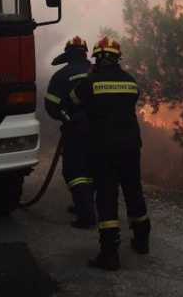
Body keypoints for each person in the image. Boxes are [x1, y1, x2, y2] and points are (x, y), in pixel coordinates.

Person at [71, 37, 150, 271]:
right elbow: (134, 97)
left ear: (97, 58)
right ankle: (142, 241)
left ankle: (109, 254)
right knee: (134, 191)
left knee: (106, 197)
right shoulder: (130, 81)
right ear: (117, 59)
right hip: (130, 147)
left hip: (103, 149)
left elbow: (73, 101)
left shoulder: (90, 82)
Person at [44, 36, 96, 229]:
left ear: (68, 54)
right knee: (93, 168)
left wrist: (67, 119)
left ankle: (86, 215)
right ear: (85, 53)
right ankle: (86, 204)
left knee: (75, 171)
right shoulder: (96, 72)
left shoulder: (61, 75)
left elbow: (51, 106)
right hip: (100, 130)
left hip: (76, 132)